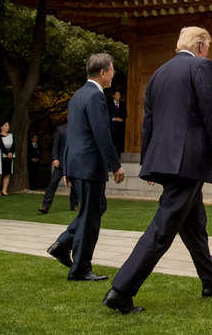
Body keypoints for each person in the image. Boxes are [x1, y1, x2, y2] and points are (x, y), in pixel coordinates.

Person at [103, 27, 212, 315]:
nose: (208, 51)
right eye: (208, 45)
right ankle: (121, 290)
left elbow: (148, 121)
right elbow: (211, 111)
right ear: (200, 46)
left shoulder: (159, 74)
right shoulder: (201, 66)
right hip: (189, 161)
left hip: (166, 160)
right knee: (162, 230)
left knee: (195, 224)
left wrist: (148, 163)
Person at [46, 53, 125, 281]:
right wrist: (115, 165)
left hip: (78, 164)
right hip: (89, 165)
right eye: (111, 70)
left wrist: (68, 168)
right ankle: (81, 268)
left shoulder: (78, 96)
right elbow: (102, 134)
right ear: (103, 72)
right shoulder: (96, 97)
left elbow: (72, 135)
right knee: (91, 216)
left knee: (95, 208)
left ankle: (63, 244)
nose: (113, 74)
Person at [39, 123, 79, 213]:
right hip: (60, 163)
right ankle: (45, 206)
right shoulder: (61, 129)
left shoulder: (80, 128)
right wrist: (55, 158)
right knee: (52, 184)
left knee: (76, 186)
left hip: (74, 163)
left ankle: (74, 205)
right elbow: (55, 145)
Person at [0, 121, 15, 196]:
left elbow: (13, 145)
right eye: (6, 125)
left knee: (7, 174)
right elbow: (1, 146)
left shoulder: (11, 135)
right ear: (1, 127)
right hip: (0, 157)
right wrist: (7, 153)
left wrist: (11, 153)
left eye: (8, 125)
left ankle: (4, 190)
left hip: (10, 156)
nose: (7, 127)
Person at [107, 90, 127, 156]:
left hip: (120, 128)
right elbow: (107, 115)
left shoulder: (123, 104)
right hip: (112, 128)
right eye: (117, 95)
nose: (119, 96)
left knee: (119, 144)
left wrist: (122, 119)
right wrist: (115, 118)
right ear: (114, 96)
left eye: (119, 95)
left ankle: (118, 157)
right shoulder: (109, 104)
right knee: (112, 143)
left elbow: (125, 115)